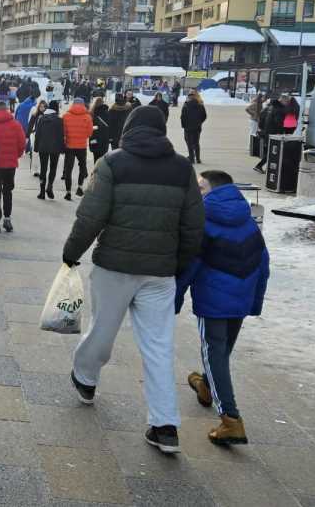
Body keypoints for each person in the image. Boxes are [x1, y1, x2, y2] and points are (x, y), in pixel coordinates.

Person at [62, 106, 205, 455]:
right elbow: (193, 226)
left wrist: (72, 252)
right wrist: (177, 264)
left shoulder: (112, 163)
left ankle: (86, 379)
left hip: (114, 266)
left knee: (102, 329)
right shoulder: (182, 168)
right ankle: (164, 425)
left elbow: (91, 215)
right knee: (158, 347)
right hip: (160, 274)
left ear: (128, 129)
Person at [176, 170, 269, 447]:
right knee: (221, 350)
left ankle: (231, 419)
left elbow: (189, 266)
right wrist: (255, 302)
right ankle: (206, 386)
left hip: (213, 302)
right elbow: (263, 263)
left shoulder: (204, 221)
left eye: (201, 187)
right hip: (240, 299)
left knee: (214, 352)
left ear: (214, 190)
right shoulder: (248, 220)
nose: (198, 191)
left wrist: (174, 299)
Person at [0, 100, 26, 233]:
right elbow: (21, 144)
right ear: (7, 109)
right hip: (10, 165)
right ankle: (7, 219)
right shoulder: (15, 124)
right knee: (8, 192)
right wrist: (16, 156)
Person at [62, 98, 93, 200]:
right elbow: (89, 133)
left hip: (69, 146)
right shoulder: (88, 117)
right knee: (82, 166)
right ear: (83, 105)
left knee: (68, 169)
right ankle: (80, 187)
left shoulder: (66, 116)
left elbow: (63, 132)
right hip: (81, 146)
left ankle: (68, 192)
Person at [32, 101, 64, 200]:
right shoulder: (59, 120)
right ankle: (50, 186)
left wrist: (36, 147)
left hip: (43, 147)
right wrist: (62, 148)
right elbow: (61, 136)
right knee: (53, 168)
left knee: (43, 169)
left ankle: (42, 192)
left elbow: (38, 134)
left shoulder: (42, 119)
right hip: (55, 148)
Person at [253, 95, 287, 174]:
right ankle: (259, 166)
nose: (287, 104)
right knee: (272, 152)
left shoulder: (268, 107)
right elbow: (279, 123)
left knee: (268, 151)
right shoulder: (279, 110)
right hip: (274, 134)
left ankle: (263, 167)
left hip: (266, 133)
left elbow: (261, 118)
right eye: (286, 102)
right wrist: (282, 132)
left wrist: (262, 129)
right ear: (282, 101)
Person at [180, 91, 208, 164]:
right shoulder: (200, 104)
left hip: (188, 127)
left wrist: (183, 125)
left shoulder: (186, 105)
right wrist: (199, 122)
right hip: (197, 127)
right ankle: (198, 159)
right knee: (196, 143)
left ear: (189, 97)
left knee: (189, 142)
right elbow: (204, 116)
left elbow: (183, 117)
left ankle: (192, 158)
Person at [89, 97, 111, 166]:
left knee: (96, 158)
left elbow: (90, 127)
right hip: (104, 139)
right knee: (102, 159)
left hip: (94, 139)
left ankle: (95, 173)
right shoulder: (107, 113)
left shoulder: (92, 113)